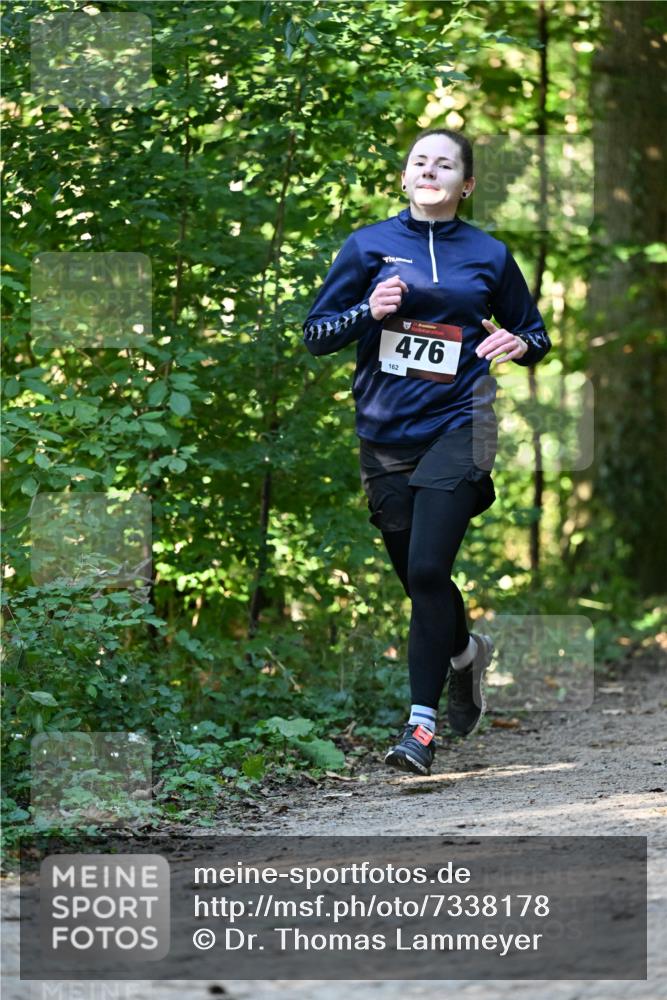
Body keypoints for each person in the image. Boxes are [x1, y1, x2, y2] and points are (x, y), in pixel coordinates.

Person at [302, 129, 551, 776]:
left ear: (464, 184)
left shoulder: (488, 255)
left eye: (445, 164)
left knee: (424, 571)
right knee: (421, 576)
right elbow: (315, 336)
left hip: (461, 421)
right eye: (420, 161)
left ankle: (419, 728)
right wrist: (367, 309)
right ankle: (466, 654)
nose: (430, 170)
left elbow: (534, 332)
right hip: (385, 435)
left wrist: (518, 346)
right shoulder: (367, 246)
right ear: (405, 177)